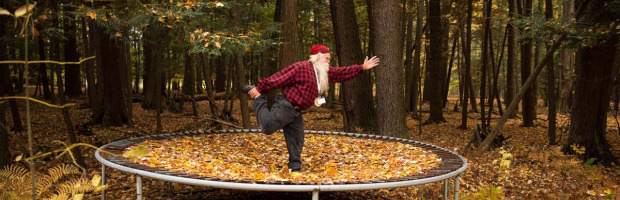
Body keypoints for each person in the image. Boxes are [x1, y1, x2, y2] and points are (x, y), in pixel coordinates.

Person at [242, 44, 379, 172]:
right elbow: (279, 78)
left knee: (297, 139)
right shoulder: (301, 67)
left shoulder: (322, 72)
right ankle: (258, 97)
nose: (328, 62)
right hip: (285, 106)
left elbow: (341, 73)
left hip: (296, 112)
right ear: (318, 56)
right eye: (327, 58)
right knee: (267, 127)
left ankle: (294, 168)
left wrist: (362, 67)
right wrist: (260, 88)